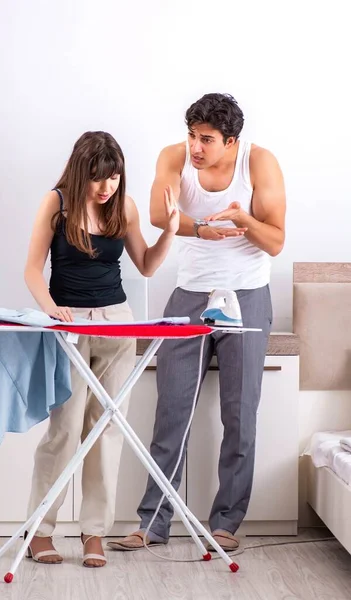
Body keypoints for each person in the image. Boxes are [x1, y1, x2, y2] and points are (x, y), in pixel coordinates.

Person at [109, 93, 286, 553]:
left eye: (206, 139)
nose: (195, 146)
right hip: (190, 293)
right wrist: (202, 229)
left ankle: (226, 520)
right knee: (171, 412)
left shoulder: (260, 163)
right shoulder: (175, 157)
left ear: (232, 141)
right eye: (192, 135)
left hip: (247, 295)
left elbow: (276, 241)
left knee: (240, 414)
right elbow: (155, 216)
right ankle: (153, 522)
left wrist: (243, 218)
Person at [24, 130, 179, 567]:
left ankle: (94, 533)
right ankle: (41, 530)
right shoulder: (56, 204)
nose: (106, 186)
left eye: (113, 177)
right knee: (65, 431)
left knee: (107, 431)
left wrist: (169, 231)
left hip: (117, 324)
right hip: (68, 324)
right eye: (97, 178)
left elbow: (146, 264)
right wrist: (53, 310)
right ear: (80, 172)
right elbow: (32, 270)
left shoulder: (122, 206)